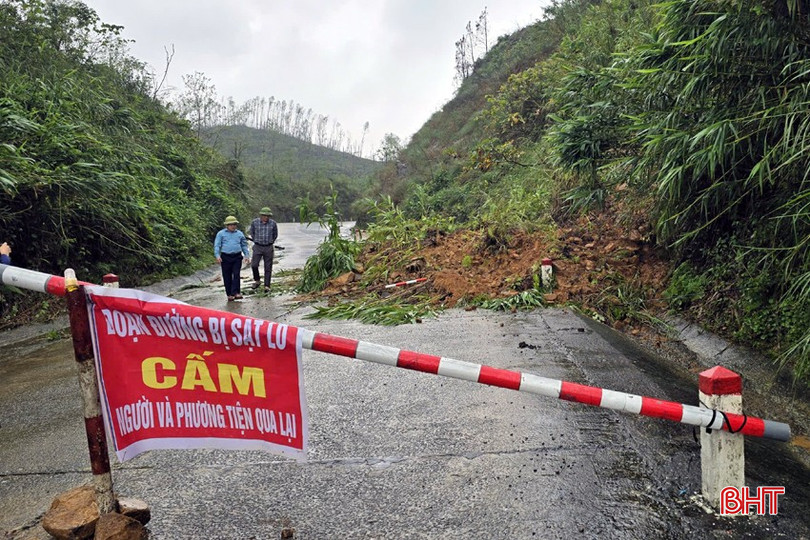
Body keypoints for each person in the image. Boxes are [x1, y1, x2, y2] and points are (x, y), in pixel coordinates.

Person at [214, 216, 249, 301]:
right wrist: (217, 256)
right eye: (231, 225)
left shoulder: (239, 234)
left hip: (237, 256)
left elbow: (244, 245)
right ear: (227, 225)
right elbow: (217, 245)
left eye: (234, 224)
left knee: (236, 274)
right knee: (227, 275)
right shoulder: (221, 234)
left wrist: (246, 255)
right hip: (225, 257)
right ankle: (229, 294)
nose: (233, 226)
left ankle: (236, 292)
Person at [248, 206, 278, 291]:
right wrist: (256, 240)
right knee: (254, 265)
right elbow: (252, 233)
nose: (266, 217)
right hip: (258, 246)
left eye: (268, 216)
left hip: (268, 247)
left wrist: (270, 241)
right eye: (264, 216)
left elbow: (275, 235)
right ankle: (257, 280)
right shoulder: (255, 222)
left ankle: (267, 285)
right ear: (261, 215)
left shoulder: (273, 223)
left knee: (268, 267)